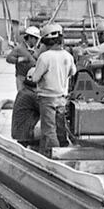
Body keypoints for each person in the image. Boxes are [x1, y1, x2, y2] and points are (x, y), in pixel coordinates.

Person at [28, 23, 75, 155]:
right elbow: (73, 72)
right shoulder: (67, 56)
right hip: (61, 98)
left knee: (49, 129)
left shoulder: (45, 57)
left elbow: (35, 78)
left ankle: (54, 154)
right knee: (61, 127)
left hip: (47, 98)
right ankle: (64, 150)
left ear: (45, 41)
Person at [5, 26, 40, 92]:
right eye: (35, 38)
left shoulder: (36, 49)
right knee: (22, 96)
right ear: (30, 37)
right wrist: (21, 59)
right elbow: (8, 58)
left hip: (33, 78)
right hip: (22, 78)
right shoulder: (19, 48)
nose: (37, 41)